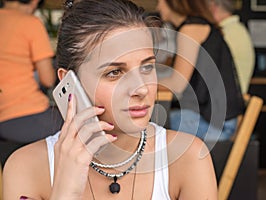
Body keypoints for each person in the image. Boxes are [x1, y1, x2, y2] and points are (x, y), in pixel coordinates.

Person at [3, 0, 218, 199]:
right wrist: (65, 191)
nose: (141, 89)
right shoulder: (26, 167)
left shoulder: (188, 158)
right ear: (69, 83)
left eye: (146, 67)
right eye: (114, 72)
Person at [156, 0, 244, 141]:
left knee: (150, 127)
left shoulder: (191, 29)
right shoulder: (199, 25)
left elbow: (177, 84)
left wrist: (141, 84)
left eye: (160, 1)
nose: (158, 7)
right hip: (219, 121)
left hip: (213, 125)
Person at [0, 0, 63, 143]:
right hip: (27, 113)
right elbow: (47, 79)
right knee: (82, 126)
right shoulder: (30, 23)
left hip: (4, 119)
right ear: (34, 2)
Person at [208, 0, 255, 94]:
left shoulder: (225, 34)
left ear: (213, 7)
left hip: (223, 102)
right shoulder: (236, 30)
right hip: (226, 100)